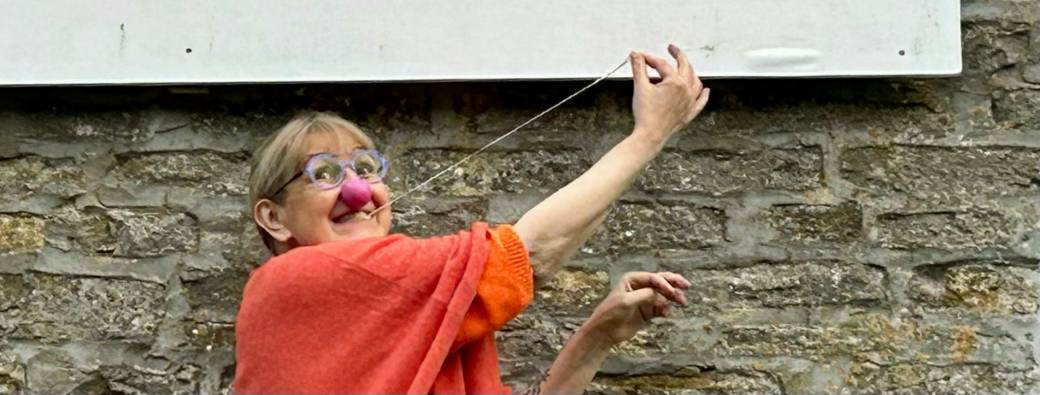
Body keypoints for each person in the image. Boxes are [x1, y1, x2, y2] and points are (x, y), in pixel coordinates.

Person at [233, 44, 710, 395]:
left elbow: (532, 256)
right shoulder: (295, 279)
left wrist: (597, 336)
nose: (357, 190)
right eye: (325, 173)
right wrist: (649, 135)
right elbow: (533, 255)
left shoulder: (413, 313)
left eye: (364, 168)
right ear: (274, 218)